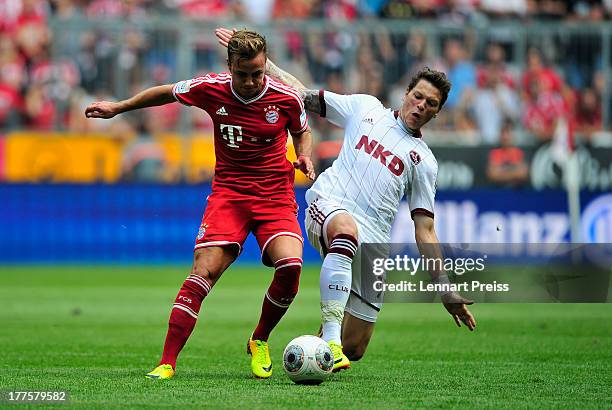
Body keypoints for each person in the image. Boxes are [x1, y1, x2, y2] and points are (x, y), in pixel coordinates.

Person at [215, 28, 476, 372]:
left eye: (431, 104)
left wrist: (444, 289)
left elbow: (425, 229)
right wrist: (268, 66)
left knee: (356, 347)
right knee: (346, 232)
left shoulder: (424, 161)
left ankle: (318, 349)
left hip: (374, 244)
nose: (421, 105)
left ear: (437, 112)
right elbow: (304, 96)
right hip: (330, 205)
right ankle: (332, 344)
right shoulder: (366, 108)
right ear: (406, 93)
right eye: (418, 96)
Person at [85, 30, 316, 380]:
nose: (252, 81)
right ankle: (167, 362)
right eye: (243, 74)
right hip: (229, 195)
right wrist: (120, 107)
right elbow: (166, 93)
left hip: (274, 196)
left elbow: (302, 128)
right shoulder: (210, 87)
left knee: (290, 265)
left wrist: (304, 155)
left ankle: (259, 339)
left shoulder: (285, 97)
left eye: (258, 73)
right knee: (203, 273)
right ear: (230, 67)